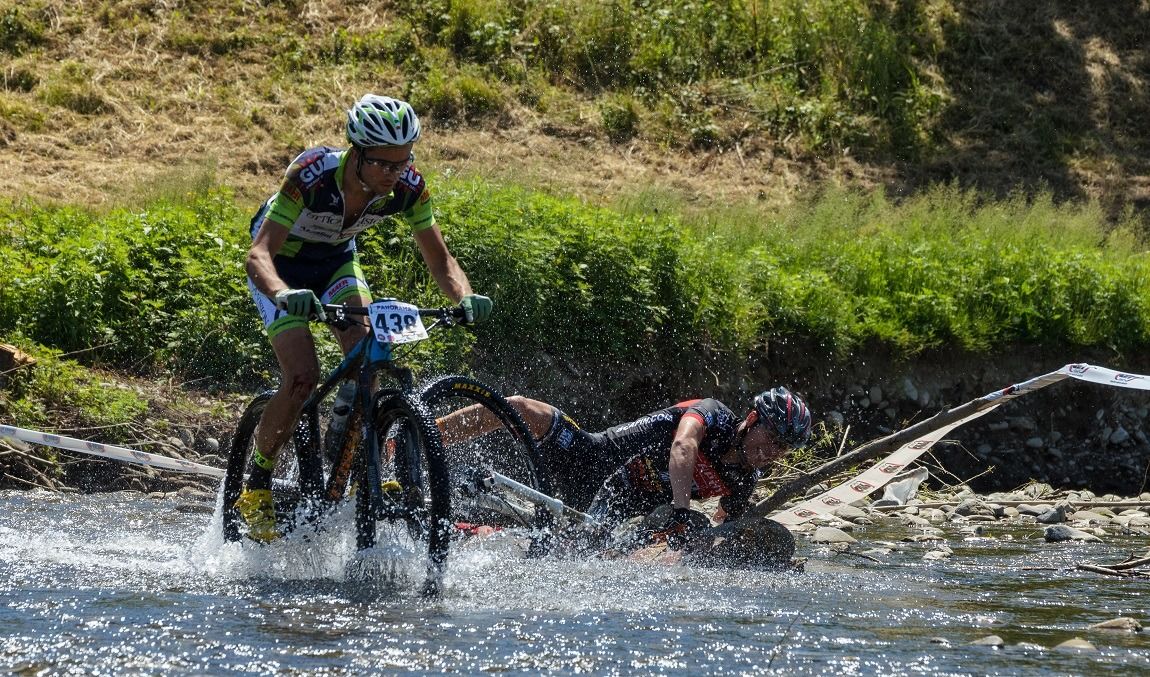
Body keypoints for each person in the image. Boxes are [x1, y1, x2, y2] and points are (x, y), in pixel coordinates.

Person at [237, 94, 493, 542]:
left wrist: (465, 296)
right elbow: (258, 254)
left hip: (336, 262)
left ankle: (357, 457)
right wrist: (283, 294)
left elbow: (441, 260)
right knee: (302, 377)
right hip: (284, 268)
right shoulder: (312, 175)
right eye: (383, 165)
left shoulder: (409, 185)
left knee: (371, 351)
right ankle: (257, 482)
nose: (394, 176)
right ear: (356, 153)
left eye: (402, 163)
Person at [437, 386, 813, 551]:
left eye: (783, 447)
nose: (773, 452)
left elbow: (719, 529)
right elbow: (683, 444)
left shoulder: (743, 479)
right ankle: (415, 437)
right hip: (596, 456)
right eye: (772, 438)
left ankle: (465, 530)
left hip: (617, 505)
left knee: (565, 549)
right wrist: (683, 511)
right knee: (519, 407)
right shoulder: (714, 415)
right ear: (752, 419)